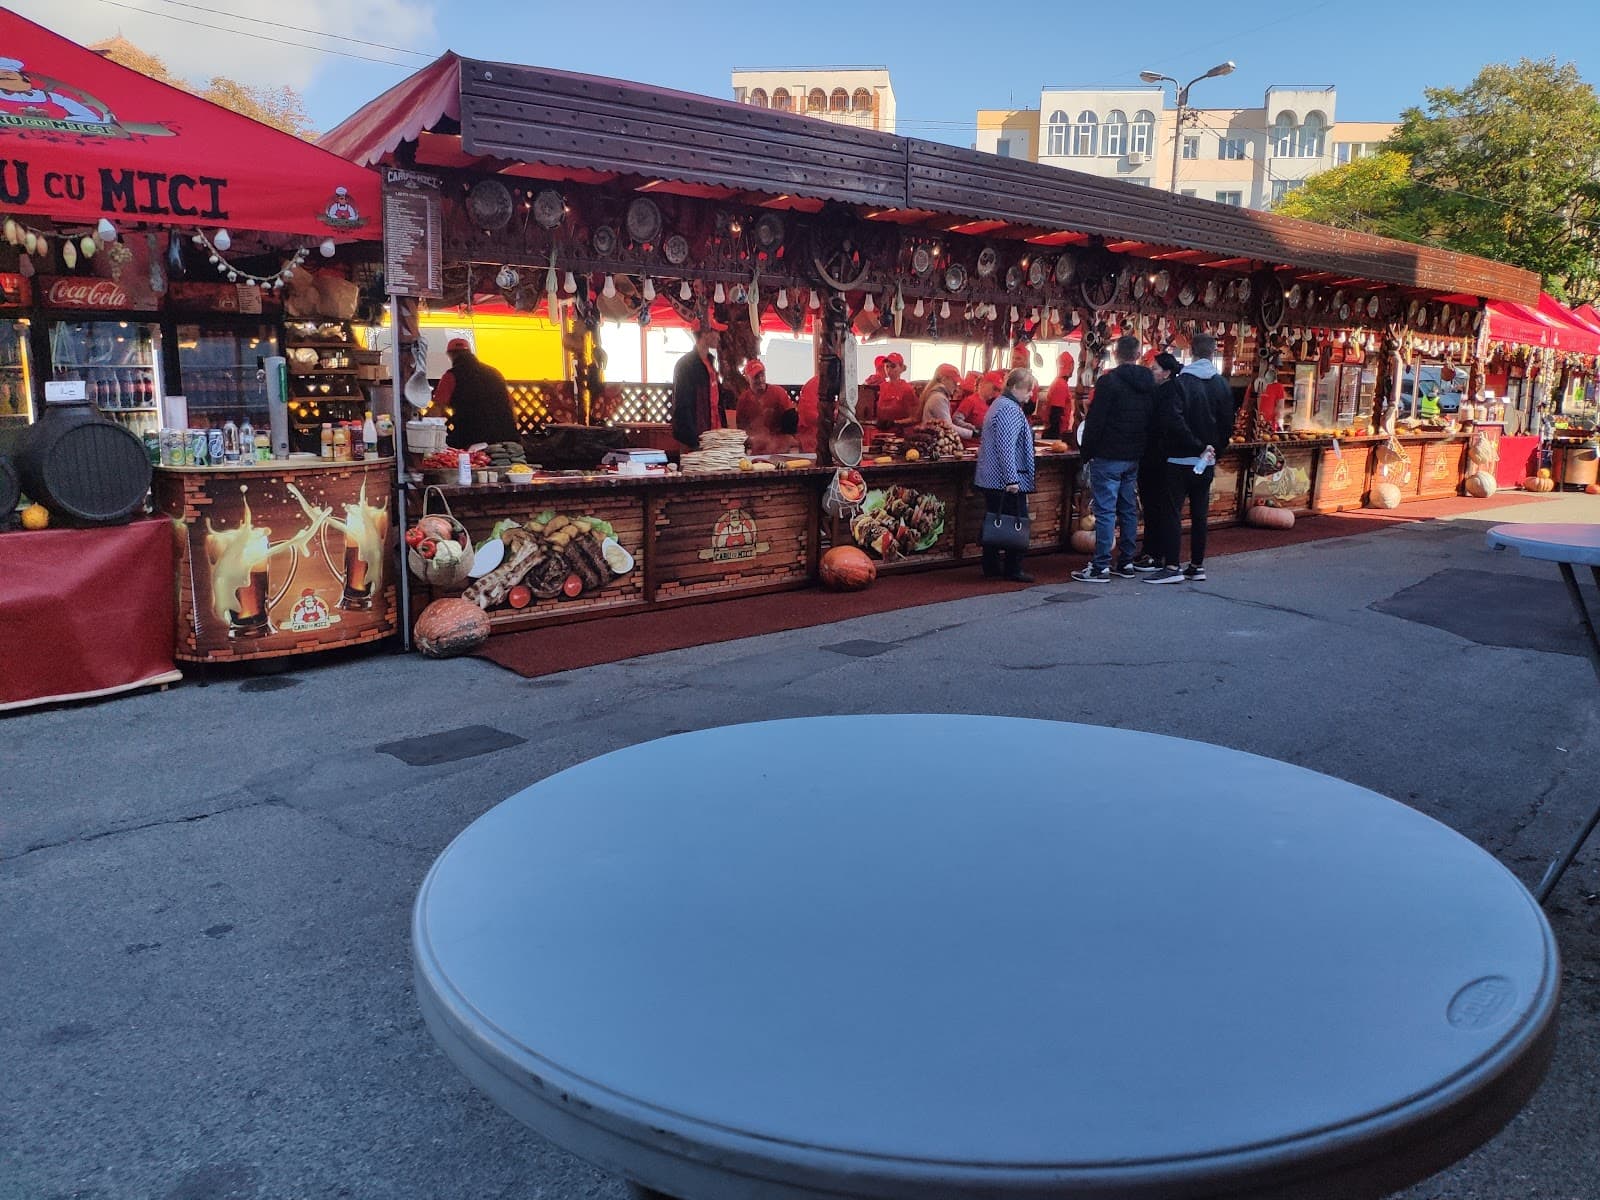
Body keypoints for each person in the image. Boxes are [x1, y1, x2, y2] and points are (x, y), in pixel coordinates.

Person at [1146, 332, 1238, 585]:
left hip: (1179, 457)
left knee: (1172, 512)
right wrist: (1213, 450)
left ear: (1191, 352)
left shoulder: (1181, 383)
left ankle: (1173, 565)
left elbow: (1173, 419)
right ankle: (1197, 564)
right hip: (1206, 460)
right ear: (1213, 353)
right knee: (1200, 514)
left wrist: (1196, 445)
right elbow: (1228, 423)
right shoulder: (1221, 384)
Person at [1072, 335, 1153, 583]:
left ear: (1116, 354)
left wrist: (1086, 452)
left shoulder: (1109, 382)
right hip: (1134, 454)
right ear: (1138, 355)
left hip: (1108, 454)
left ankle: (1100, 566)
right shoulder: (1149, 382)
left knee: (1105, 510)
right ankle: (1126, 561)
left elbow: (1096, 421)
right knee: (1128, 508)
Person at [974, 368, 1038, 582]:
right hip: (1004, 479)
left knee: (996, 519)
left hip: (992, 477)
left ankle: (991, 565)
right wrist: (1012, 479)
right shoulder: (1009, 409)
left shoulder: (999, 405)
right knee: (1015, 520)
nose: (1030, 395)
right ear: (1016, 387)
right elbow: (1006, 446)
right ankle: (1013, 567)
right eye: (1028, 390)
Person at [1129, 352, 1184, 572]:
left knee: (1154, 506)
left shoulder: (1165, 396)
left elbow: (1159, 425)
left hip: (1156, 458)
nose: (1151, 371)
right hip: (1160, 457)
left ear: (1166, 373)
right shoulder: (1171, 392)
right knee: (1155, 507)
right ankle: (1153, 551)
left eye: (1155, 368)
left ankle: (1153, 552)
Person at [433, 337, 519, 449]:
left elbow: (438, 408)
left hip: (471, 439)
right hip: (507, 439)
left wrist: (425, 427)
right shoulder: (495, 373)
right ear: (469, 352)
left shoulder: (451, 376)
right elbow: (511, 407)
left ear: (450, 355)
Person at [671, 321, 723, 449]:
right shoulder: (686, 365)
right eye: (715, 331)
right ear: (705, 333)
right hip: (696, 439)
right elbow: (682, 404)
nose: (718, 336)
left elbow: (716, 403)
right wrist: (693, 439)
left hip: (713, 436)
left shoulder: (710, 362)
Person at [735, 360, 800, 455]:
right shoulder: (743, 400)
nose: (761, 379)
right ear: (747, 378)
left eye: (762, 375)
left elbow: (792, 423)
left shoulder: (778, 393)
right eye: (756, 377)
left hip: (780, 449)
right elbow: (741, 430)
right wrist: (754, 439)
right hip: (757, 450)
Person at [874, 353, 919, 425]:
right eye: (887, 366)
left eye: (893, 366)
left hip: (899, 433)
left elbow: (915, 418)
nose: (889, 369)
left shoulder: (907, 389)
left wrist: (895, 423)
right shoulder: (882, 387)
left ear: (901, 368)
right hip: (881, 432)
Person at [954, 371, 1001, 437]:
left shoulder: (990, 405)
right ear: (983, 383)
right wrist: (974, 428)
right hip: (971, 444)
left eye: (998, 390)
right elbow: (956, 420)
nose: (995, 393)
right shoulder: (970, 401)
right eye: (994, 389)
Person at [1043, 351, 1077, 440]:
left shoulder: (1059, 383)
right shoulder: (1061, 385)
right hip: (1056, 434)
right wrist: (1057, 439)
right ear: (1071, 366)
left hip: (1056, 432)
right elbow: (1055, 414)